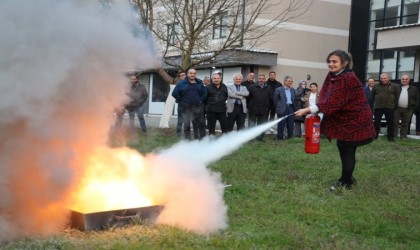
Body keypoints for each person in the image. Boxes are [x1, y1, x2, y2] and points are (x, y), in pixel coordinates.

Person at [295, 50, 375, 190]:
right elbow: (326, 95)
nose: (331, 64)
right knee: (344, 147)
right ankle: (348, 177)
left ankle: (345, 182)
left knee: (347, 147)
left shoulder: (348, 78)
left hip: (356, 120)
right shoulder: (332, 76)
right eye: (329, 61)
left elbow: (333, 102)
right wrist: (316, 108)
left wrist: (307, 110)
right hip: (345, 119)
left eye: (335, 61)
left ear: (344, 63)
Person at [172, 68, 207, 140]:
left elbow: (204, 93)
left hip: (198, 107)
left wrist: (200, 100)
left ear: (196, 74)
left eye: (194, 73)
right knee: (186, 125)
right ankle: (188, 140)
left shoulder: (199, 83)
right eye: (191, 73)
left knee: (201, 124)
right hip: (186, 107)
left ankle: (202, 140)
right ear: (187, 74)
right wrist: (181, 101)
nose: (192, 75)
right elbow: (174, 93)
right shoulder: (181, 83)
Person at [372, 73, 399, 142]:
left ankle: (390, 137)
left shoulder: (395, 86)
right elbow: (372, 96)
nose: (383, 80)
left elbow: (397, 97)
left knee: (390, 123)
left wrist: (395, 106)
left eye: (385, 78)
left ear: (388, 78)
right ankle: (375, 136)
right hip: (378, 107)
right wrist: (373, 106)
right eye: (382, 78)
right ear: (380, 79)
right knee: (376, 122)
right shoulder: (375, 86)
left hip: (389, 107)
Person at [248, 74, 272, 141]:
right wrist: (250, 106)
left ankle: (260, 138)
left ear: (265, 80)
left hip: (264, 109)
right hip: (253, 109)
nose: (261, 80)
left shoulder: (268, 88)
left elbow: (270, 98)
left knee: (261, 124)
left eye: (262, 78)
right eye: (260, 78)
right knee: (251, 124)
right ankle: (250, 138)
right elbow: (248, 98)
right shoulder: (251, 87)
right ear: (257, 79)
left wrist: (268, 106)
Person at [394, 74, 419, 139]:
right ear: (401, 80)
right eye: (403, 79)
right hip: (396, 108)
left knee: (405, 124)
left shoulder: (413, 89)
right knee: (395, 123)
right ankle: (394, 136)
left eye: (406, 79)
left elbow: (417, 99)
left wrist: (413, 107)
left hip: (408, 109)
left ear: (409, 80)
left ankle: (403, 137)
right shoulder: (396, 87)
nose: (404, 80)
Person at [176, 71, 187, 137]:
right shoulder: (179, 84)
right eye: (181, 75)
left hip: (188, 105)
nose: (183, 76)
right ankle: (178, 134)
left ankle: (186, 134)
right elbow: (175, 94)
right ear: (180, 77)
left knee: (187, 119)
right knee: (180, 119)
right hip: (181, 105)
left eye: (184, 75)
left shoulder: (189, 83)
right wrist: (180, 100)